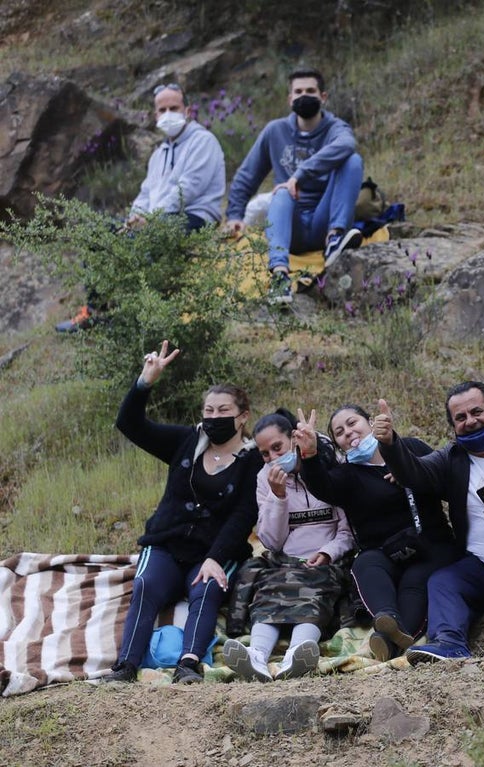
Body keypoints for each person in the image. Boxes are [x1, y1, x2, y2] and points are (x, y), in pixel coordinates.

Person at [97, 341, 260, 684]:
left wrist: (216, 557)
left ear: (242, 416)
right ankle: (125, 666)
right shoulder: (187, 441)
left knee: (208, 589)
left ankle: (188, 664)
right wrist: (145, 382)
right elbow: (130, 424)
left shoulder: (252, 460)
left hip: (212, 550)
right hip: (166, 544)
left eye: (223, 411)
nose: (214, 418)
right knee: (144, 584)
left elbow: (244, 515)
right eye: (209, 410)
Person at [372, 382, 484, 664]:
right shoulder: (452, 459)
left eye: (477, 411)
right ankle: (448, 643)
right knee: (443, 581)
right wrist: (390, 443)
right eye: (460, 418)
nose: (470, 421)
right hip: (483, 572)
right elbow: (415, 473)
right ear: (453, 426)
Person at [57, 83, 226, 332]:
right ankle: (97, 312)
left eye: (174, 107)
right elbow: (146, 193)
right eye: (162, 109)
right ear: (155, 115)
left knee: (147, 244)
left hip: (193, 217)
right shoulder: (159, 153)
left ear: (187, 110)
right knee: (97, 233)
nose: (168, 113)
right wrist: (135, 216)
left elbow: (188, 189)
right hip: (156, 220)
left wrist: (151, 218)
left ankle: (139, 318)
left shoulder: (203, 142)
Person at [295, 403, 456, 661]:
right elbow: (322, 487)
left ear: (370, 423)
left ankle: (388, 641)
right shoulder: (347, 475)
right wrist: (310, 454)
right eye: (339, 432)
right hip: (384, 551)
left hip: (431, 545)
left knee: (414, 582)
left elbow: (444, 478)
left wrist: (407, 469)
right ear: (338, 444)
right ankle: (387, 618)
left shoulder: (410, 448)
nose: (347, 432)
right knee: (365, 564)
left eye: (352, 423)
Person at [222, 410, 355, 682]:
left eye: (277, 448)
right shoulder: (264, 478)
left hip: (325, 561)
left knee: (314, 593)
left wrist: (327, 552)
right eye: (265, 453)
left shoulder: (329, 464)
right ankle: (257, 655)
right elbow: (271, 541)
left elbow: (348, 530)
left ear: (294, 440)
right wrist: (278, 498)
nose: (272, 458)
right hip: (284, 561)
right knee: (268, 592)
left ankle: (297, 654)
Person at [224, 67, 364, 304]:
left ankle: (335, 240)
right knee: (281, 192)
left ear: (323, 97)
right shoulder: (275, 131)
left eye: (311, 90)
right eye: (298, 92)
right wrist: (235, 214)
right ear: (290, 99)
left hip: (325, 217)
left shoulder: (336, 128)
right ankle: (279, 276)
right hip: (291, 225)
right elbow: (247, 175)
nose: (304, 96)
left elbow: (347, 144)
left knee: (352, 160)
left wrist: (299, 175)